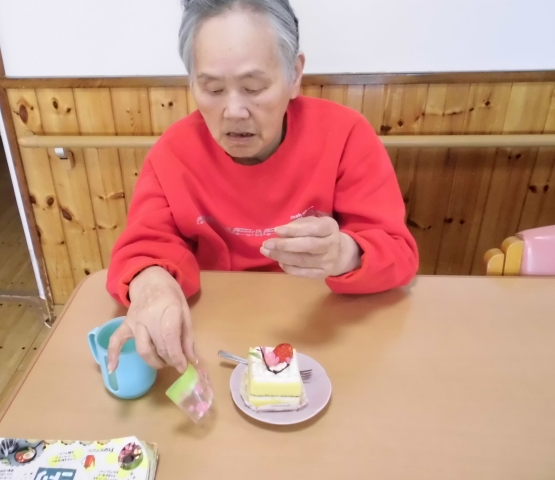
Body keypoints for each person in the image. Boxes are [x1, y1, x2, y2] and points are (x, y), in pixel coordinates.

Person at [106, 0, 418, 375]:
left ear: (294, 75)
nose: (234, 111)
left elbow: (398, 252)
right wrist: (151, 283)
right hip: (213, 339)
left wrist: (345, 253)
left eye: (253, 87)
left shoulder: (345, 135)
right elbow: (144, 246)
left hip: (322, 333)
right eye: (213, 89)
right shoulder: (172, 154)